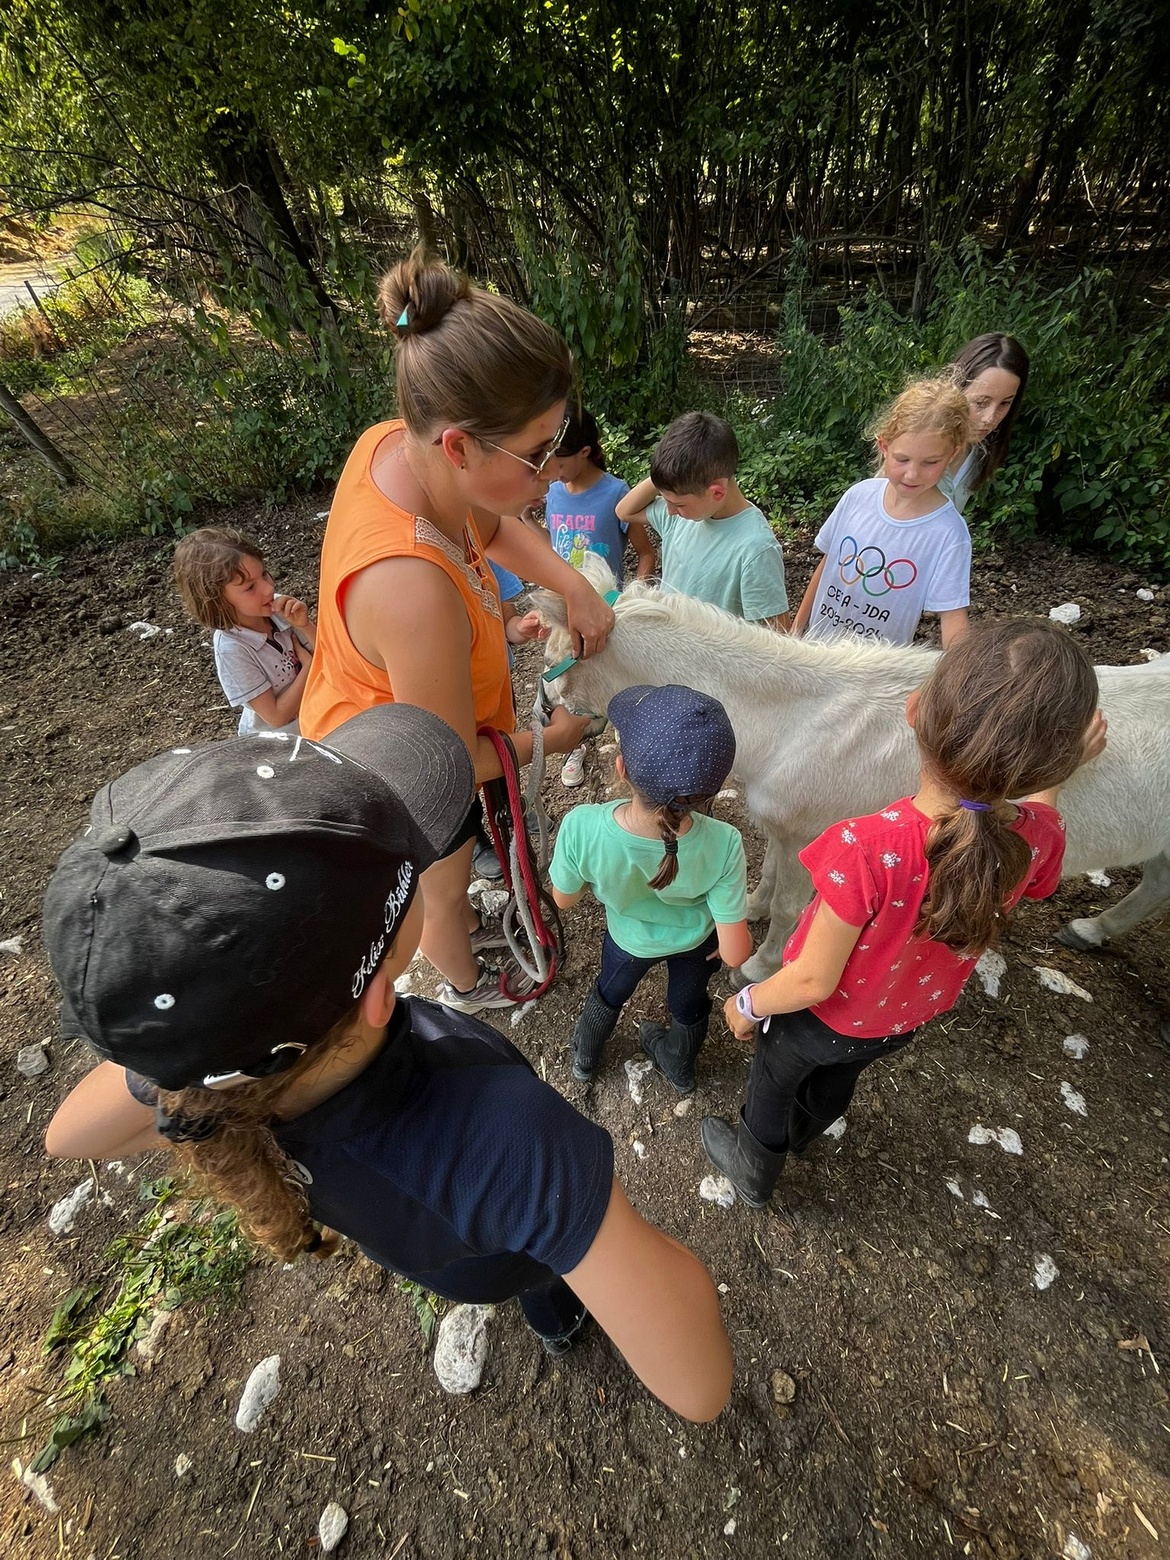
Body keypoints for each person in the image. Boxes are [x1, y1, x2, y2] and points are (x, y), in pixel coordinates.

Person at [41, 705, 733, 1423]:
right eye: (404, 865)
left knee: (527, 1267)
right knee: (543, 1272)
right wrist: (606, 1219)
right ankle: (557, 1317)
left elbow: (68, 1135)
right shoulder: (517, 1143)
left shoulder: (233, 1092)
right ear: (378, 987)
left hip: (440, 1256)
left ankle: (556, 1323)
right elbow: (701, 1389)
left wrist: (191, 1045)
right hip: (507, 1246)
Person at [299, 249, 615, 1013]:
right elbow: (442, 765)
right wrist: (553, 741)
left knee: (458, 864)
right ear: (459, 446)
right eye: (537, 453)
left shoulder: (399, 446)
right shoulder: (411, 590)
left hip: (426, 726)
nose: (550, 472)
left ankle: (468, 928)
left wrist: (572, 585)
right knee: (436, 887)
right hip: (396, 776)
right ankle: (467, 983)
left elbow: (491, 524)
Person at [701, 618, 1107, 1207]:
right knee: (838, 1077)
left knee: (773, 1080)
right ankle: (804, 1133)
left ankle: (753, 1171)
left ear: (914, 709)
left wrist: (746, 1004)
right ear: (1050, 769)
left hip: (815, 1019)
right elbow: (1039, 829)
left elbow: (812, 981)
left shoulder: (865, 849)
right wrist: (1055, 780)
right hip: (903, 1018)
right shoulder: (1035, 837)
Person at [550, 685, 752, 1092]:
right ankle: (679, 1066)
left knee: (610, 992)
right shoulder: (725, 842)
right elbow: (735, 954)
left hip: (629, 940)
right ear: (709, 790)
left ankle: (585, 1057)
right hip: (695, 944)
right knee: (688, 1005)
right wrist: (725, 936)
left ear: (621, 768)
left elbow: (564, 899)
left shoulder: (582, 827)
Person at [791, 376, 973, 648]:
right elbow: (827, 563)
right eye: (902, 459)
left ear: (952, 454)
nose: (912, 474)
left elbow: (954, 619)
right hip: (817, 656)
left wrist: (960, 668)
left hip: (874, 670)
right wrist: (796, 631)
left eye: (930, 462)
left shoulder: (949, 533)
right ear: (884, 447)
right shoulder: (858, 496)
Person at [543, 408, 654, 788]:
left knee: (619, 685)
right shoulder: (552, 492)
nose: (552, 470)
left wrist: (629, 600)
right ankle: (575, 744)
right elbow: (550, 549)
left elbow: (646, 553)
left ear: (586, 452)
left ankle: (628, 749)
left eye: (559, 461)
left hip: (604, 617)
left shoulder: (616, 493)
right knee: (567, 685)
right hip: (562, 616)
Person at [616, 412, 790, 630]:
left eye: (677, 504)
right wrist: (666, 473)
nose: (669, 510)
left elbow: (777, 637)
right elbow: (624, 511)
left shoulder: (755, 549)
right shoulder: (682, 514)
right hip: (669, 647)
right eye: (665, 499)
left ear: (717, 492)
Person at [173, 527, 316, 736]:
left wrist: (305, 625)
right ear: (219, 602)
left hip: (316, 718)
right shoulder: (232, 649)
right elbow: (276, 717)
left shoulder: (279, 607)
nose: (268, 588)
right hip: (280, 744)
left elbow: (332, 657)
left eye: (264, 574)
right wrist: (310, 666)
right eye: (250, 587)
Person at [941, 334, 1030, 514]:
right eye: (981, 403)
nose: (990, 418)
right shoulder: (914, 442)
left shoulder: (981, 452)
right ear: (956, 390)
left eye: (1005, 403)